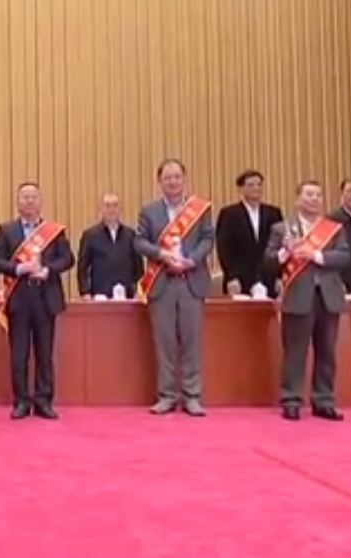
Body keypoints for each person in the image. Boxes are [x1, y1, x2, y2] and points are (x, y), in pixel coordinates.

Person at [134, 159, 214, 417]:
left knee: (192, 342)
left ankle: (192, 396)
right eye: (167, 177)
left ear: (184, 179)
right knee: (165, 343)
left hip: (191, 282)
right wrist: (162, 254)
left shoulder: (199, 209)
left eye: (177, 177)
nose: (173, 182)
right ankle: (167, 396)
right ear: (160, 181)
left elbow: (208, 239)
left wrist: (191, 260)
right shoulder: (149, 211)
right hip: (162, 283)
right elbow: (139, 242)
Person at [267, 180, 350, 421]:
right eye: (309, 194)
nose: (314, 199)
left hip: (328, 297)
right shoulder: (282, 229)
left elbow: (344, 257)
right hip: (297, 296)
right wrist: (285, 252)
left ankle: (323, 400)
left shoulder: (334, 229)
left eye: (318, 195)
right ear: (297, 199)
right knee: (295, 352)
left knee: (327, 352)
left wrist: (315, 254)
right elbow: (268, 262)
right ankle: (291, 399)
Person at [0, 181, 75, 420]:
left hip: (45, 297)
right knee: (19, 354)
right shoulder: (7, 230)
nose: (29, 201)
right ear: (18, 202)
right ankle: (21, 401)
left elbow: (68, 259)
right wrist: (18, 269)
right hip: (19, 298)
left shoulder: (53, 231)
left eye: (33, 197)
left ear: (40, 201)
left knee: (44, 353)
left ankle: (43, 401)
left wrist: (47, 270)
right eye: (25, 197)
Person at [215, 169, 283, 295]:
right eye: (251, 185)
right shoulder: (229, 214)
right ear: (241, 189)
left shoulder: (273, 213)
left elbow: (280, 247)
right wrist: (231, 277)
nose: (256, 188)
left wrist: (279, 276)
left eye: (259, 184)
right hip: (240, 280)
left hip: (269, 278)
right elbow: (224, 249)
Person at [76, 193, 143, 299]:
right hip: (99, 295)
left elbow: (138, 266)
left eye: (115, 205)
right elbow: (82, 268)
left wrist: (138, 290)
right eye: (107, 205)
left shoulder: (131, 235)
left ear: (120, 209)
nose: (111, 210)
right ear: (101, 209)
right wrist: (85, 292)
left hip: (128, 295)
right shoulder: (90, 235)